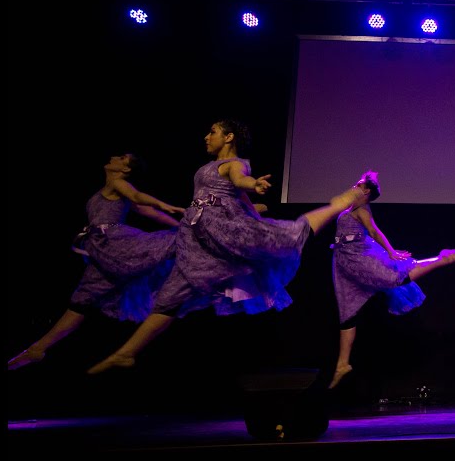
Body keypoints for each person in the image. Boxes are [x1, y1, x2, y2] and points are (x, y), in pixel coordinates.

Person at [86, 119, 371, 374]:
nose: (206, 137)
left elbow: (240, 181)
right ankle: (126, 353)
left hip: (226, 229)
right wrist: (255, 211)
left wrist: (253, 184)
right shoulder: (207, 167)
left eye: (213, 132)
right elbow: (239, 196)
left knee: (290, 233)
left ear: (229, 137)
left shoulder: (237, 163)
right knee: (170, 295)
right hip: (196, 238)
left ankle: (342, 203)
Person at [8, 153, 184, 370]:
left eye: (121, 157)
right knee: (81, 301)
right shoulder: (112, 188)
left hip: (114, 243)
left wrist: (171, 214)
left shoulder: (120, 183)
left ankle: (204, 240)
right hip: (101, 252)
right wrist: (176, 225)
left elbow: (142, 202)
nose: (113, 156)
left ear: (125, 169)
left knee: (160, 245)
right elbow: (146, 210)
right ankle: (38, 348)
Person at [327, 170, 455, 389]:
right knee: (347, 313)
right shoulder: (349, 208)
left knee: (395, 276)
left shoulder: (361, 209)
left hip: (359, 257)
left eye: (358, 185)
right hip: (343, 263)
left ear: (365, 192)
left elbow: (374, 232)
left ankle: (441, 259)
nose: (353, 187)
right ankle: (342, 364)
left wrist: (391, 252)